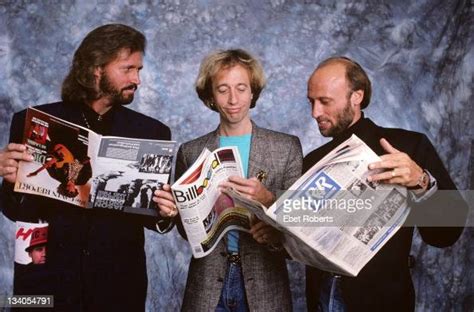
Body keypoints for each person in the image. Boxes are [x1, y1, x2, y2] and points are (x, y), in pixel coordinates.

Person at [0, 24, 173, 311]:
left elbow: (157, 219)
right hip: (44, 284)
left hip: (117, 288)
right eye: (128, 69)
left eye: (139, 70)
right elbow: (15, 210)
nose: (137, 79)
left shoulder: (153, 132)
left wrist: (167, 212)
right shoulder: (31, 121)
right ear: (96, 68)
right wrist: (9, 180)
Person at [304, 56, 468, 311]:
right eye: (311, 102)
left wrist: (421, 182)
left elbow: (445, 235)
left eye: (325, 101)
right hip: (321, 298)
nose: (316, 112)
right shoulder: (312, 161)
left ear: (356, 96)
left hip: (382, 300)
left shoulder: (409, 147)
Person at [154, 49, 303, 311]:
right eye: (223, 89)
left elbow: (301, 219)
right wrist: (172, 213)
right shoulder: (190, 151)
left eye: (241, 88)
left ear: (253, 92)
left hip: (265, 285)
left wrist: (273, 230)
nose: (233, 99)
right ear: (210, 96)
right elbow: (185, 229)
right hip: (207, 286)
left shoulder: (286, 147)